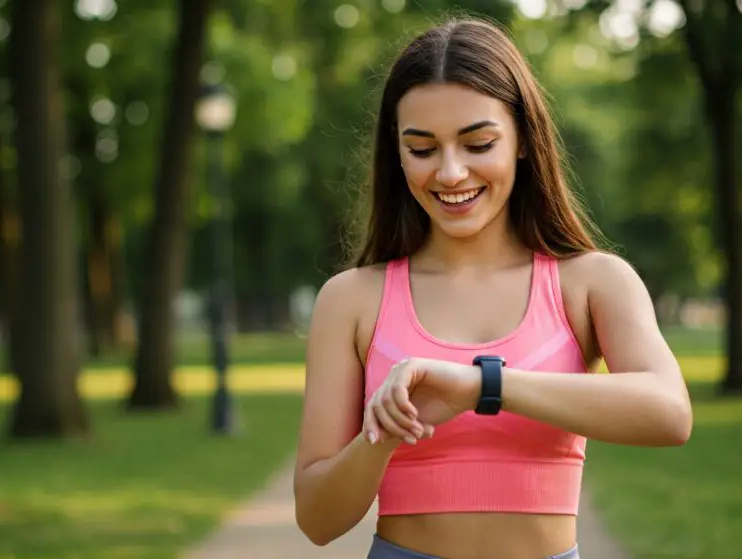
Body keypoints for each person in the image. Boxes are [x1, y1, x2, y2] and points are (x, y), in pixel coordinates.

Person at [292, 15, 693, 559]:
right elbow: (317, 520)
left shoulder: (592, 282)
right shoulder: (351, 299)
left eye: (478, 143)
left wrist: (482, 386)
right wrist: (384, 432)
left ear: (524, 140)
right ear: (398, 153)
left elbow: (669, 413)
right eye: (423, 149)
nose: (451, 172)